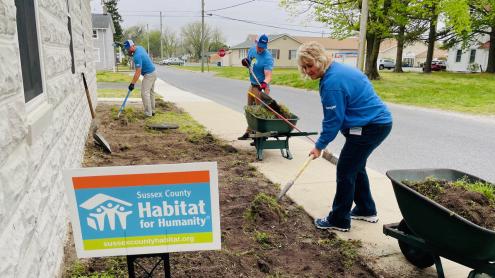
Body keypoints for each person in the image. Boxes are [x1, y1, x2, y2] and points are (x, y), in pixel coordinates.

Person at [297, 41, 393, 232]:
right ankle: (366, 209)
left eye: (310, 65)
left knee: (345, 169)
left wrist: (319, 146)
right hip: (374, 124)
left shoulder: (332, 83)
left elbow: (333, 120)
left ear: (320, 59)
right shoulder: (336, 71)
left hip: (370, 127)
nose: (308, 71)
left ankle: (339, 219)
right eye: (304, 67)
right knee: (355, 166)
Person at [237, 34, 274, 140]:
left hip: (261, 87)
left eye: (263, 47)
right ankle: (249, 132)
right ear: (256, 43)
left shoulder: (267, 58)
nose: (260, 48)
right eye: (259, 46)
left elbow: (268, 76)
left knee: (259, 112)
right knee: (250, 110)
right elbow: (248, 62)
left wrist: (264, 83)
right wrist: (245, 62)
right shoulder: (252, 50)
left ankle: (260, 136)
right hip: (252, 85)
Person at [123, 39, 157, 117]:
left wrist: (132, 84)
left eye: (128, 49)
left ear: (132, 46)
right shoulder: (140, 47)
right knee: (151, 93)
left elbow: (138, 72)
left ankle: (148, 113)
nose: (127, 50)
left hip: (149, 75)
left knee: (144, 93)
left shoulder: (137, 56)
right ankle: (152, 111)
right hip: (154, 72)